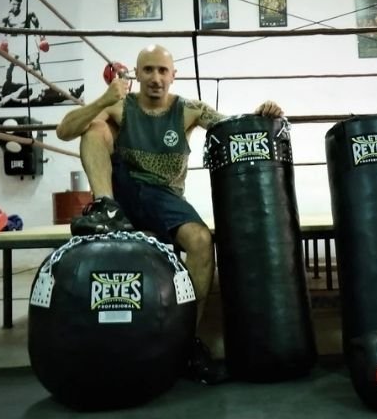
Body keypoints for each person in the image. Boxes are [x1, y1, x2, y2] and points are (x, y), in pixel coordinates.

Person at [56, 44, 284, 384]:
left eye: (163, 71)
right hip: (124, 191)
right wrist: (103, 101)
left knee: (201, 241)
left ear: (173, 75)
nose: (156, 78)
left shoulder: (190, 110)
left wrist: (265, 115)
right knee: (95, 128)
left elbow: (233, 129)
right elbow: (64, 131)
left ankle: (185, 341)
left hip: (165, 198)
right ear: (136, 74)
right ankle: (104, 206)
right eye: (148, 70)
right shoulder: (120, 105)